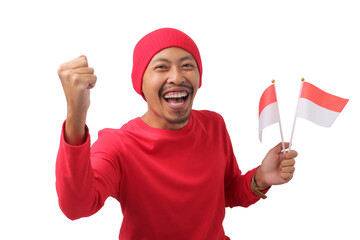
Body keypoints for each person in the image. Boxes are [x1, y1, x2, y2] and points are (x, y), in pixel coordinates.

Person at [56, 28, 297, 240]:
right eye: (161, 67)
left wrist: (261, 178)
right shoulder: (118, 144)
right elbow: (76, 206)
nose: (177, 77)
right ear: (140, 82)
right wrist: (77, 114)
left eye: (187, 66)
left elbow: (225, 193)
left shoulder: (214, 125)